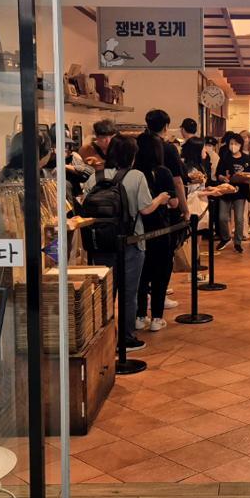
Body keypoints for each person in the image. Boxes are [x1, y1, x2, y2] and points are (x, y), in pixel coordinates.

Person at [82, 135, 171, 352]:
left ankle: (102, 339)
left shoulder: (96, 176)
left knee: (104, 293)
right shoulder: (136, 176)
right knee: (128, 293)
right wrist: (161, 199)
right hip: (131, 242)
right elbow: (145, 209)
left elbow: (84, 204)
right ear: (132, 155)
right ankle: (127, 338)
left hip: (101, 243)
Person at [134, 131, 179, 333]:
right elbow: (174, 202)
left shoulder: (133, 173)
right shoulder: (163, 172)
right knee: (160, 275)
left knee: (141, 275)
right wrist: (163, 200)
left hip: (137, 231)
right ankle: (157, 318)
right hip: (161, 229)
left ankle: (140, 315)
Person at [146, 109, 191, 221]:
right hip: (167, 203)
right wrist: (185, 210)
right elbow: (177, 182)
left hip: (145, 201)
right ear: (166, 127)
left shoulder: (140, 146)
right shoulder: (169, 148)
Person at [215, 131, 250, 252]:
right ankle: (225, 238)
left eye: (236, 143)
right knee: (222, 217)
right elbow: (218, 174)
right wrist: (223, 178)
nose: (233, 146)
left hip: (240, 192)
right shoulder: (224, 157)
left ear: (240, 145)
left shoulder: (246, 158)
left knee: (239, 218)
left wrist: (246, 177)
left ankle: (238, 242)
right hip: (226, 191)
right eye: (231, 143)